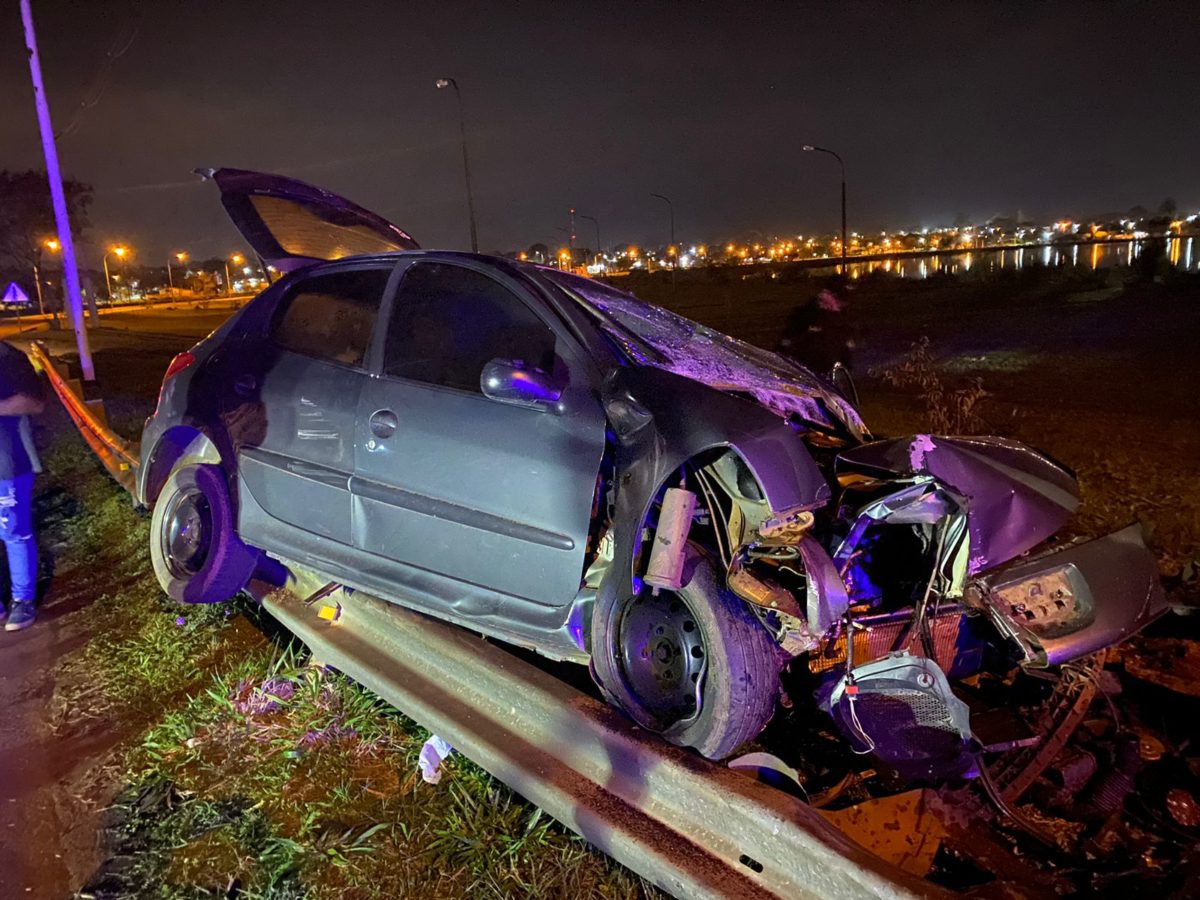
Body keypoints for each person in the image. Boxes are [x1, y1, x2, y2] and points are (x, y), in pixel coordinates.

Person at [0, 342, 45, 631]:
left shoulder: (8, 357)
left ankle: (23, 600)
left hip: (7, 461)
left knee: (13, 531)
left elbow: (34, 402)